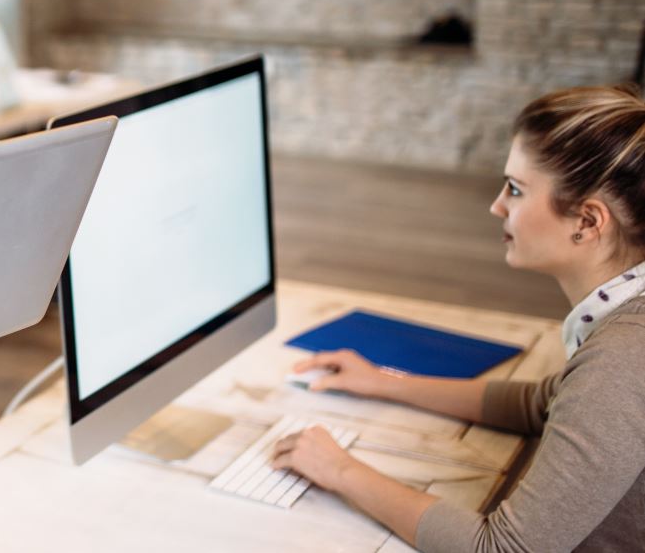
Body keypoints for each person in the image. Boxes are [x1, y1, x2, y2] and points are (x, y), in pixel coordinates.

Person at [272, 84, 645, 552]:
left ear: (588, 222)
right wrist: (381, 381)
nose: (496, 206)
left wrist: (339, 469)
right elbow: (543, 404)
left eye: (515, 190)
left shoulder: (622, 359)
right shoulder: (622, 324)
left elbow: (502, 548)